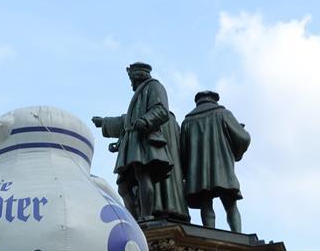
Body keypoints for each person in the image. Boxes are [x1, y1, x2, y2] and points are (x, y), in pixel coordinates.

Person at [93, 63, 186, 222]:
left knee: (143, 175)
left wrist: (146, 120)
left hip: (144, 143)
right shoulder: (139, 95)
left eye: (131, 79)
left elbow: (160, 110)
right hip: (133, 144)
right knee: (123, 186)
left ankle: (145, 216)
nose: (131, 83)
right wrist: (106, 124)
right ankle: (134, 221)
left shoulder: (154, 87)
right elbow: (127, 121)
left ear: (138, 77)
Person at [180, 91, 251, 233]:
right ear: (214, 100)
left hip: (198, 173)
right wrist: (236, 147)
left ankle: (209, 233)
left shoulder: (187, 122)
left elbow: (183, 152)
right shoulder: (223, 114)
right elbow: (243, 138)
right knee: (231, 204)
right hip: (222, 168)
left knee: (205, 204)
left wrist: (188, 172)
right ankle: (237, 234)